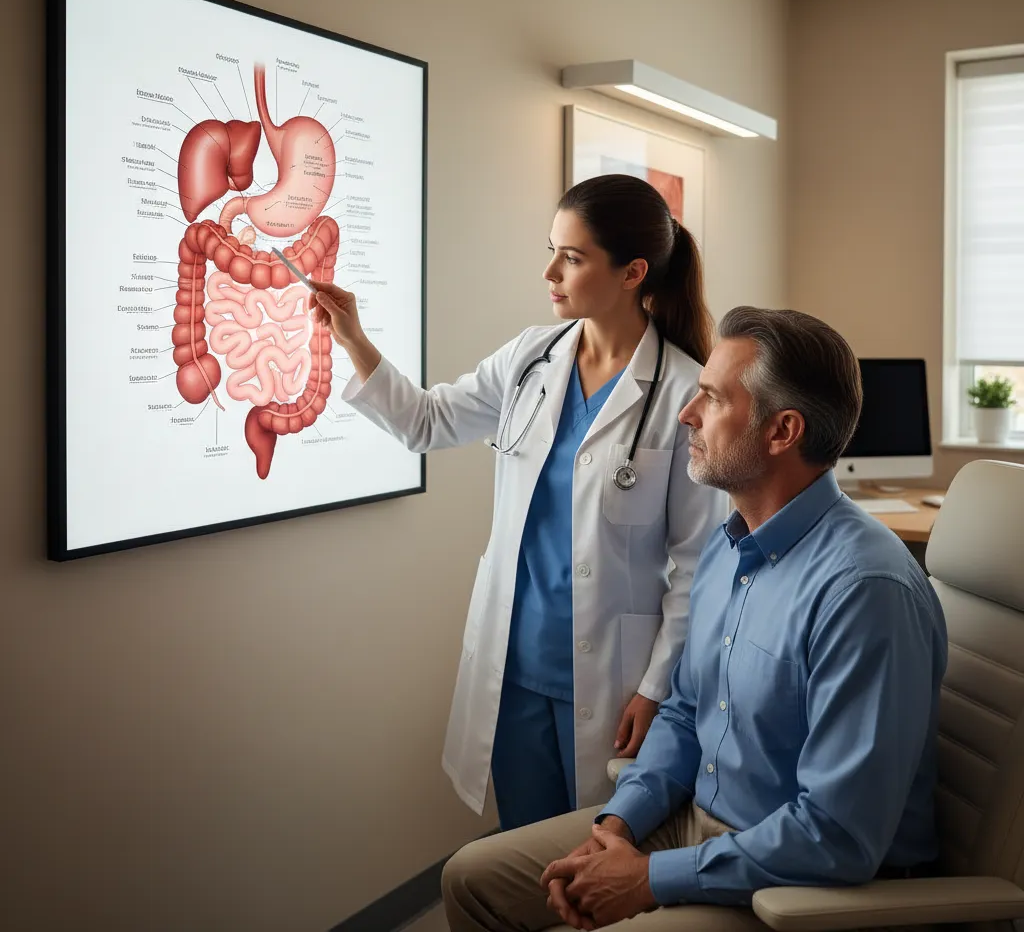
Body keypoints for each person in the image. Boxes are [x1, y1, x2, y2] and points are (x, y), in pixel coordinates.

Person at [441, 306, 949, 931]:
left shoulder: (864, 590)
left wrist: (648, 879)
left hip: (798, 881)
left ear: (782, 431)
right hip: (691, 822)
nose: (686, 414)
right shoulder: (728, 544)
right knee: (472, 881)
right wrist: (618, 825)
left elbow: (836, 835)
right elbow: (685, 712)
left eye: (711, 399)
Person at [308, 175, 727, 830]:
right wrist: (353, 339)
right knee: (523, 855)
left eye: (573, 257)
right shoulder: (532, 357)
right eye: (552, 250)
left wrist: (656, 688)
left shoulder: (681, 392)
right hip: (514, 668)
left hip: (615, 680)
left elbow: (697, 567)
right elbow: (426, 422)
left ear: (631, 272)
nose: (549, 272)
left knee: (594, 860)